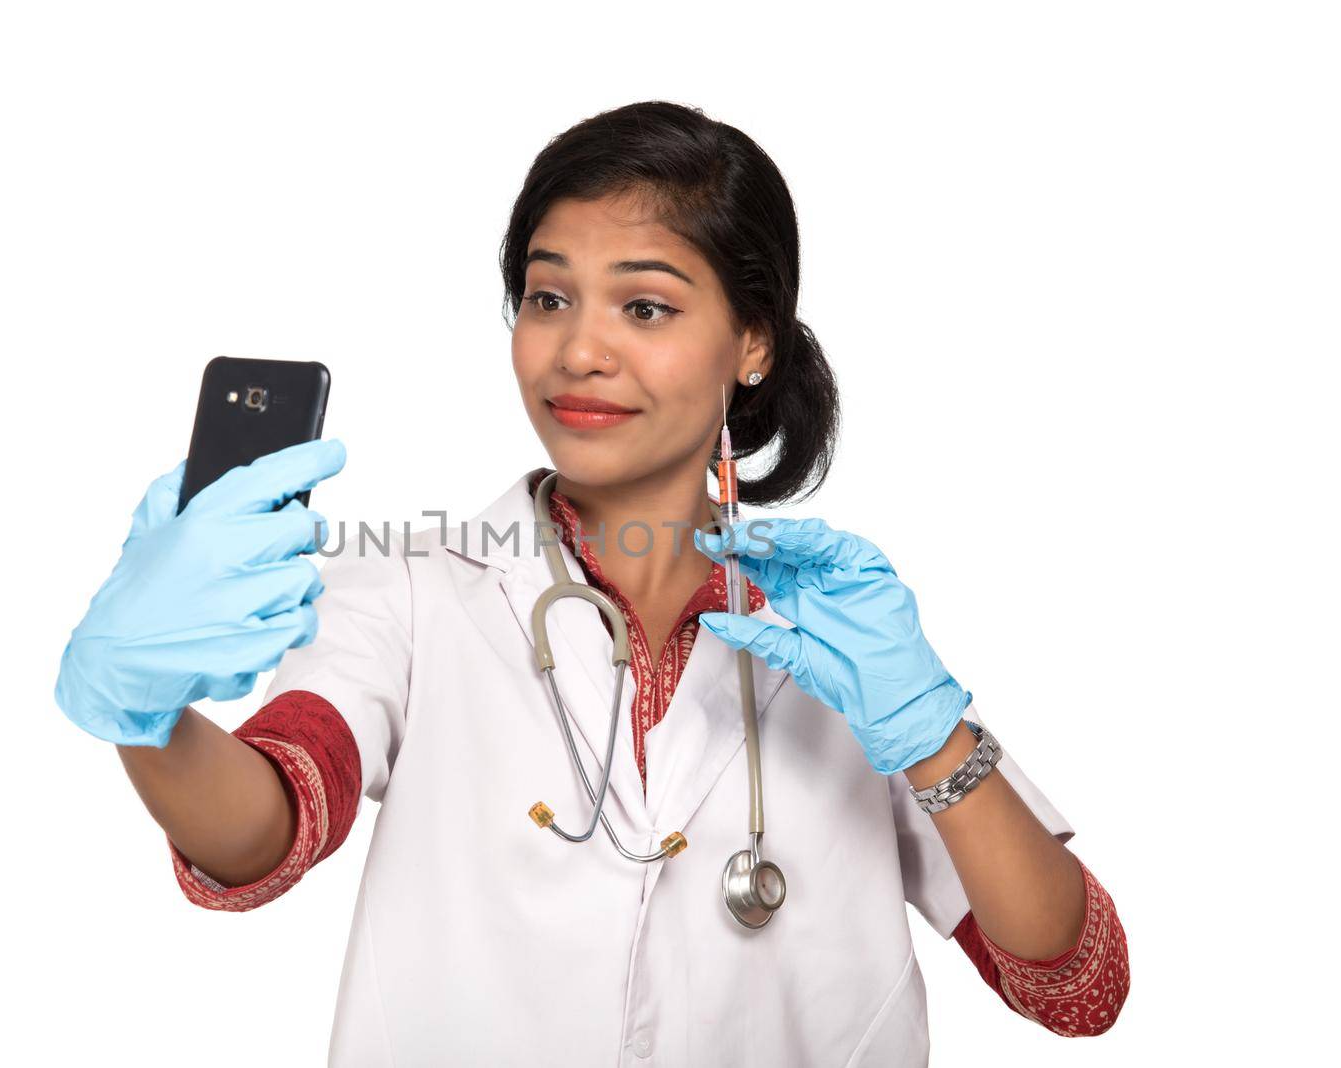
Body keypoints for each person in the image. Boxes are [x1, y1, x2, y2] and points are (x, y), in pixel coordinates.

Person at [55, 101, 1129, 1065]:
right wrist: (146, 716)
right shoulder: (418, 589)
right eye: (547, 297)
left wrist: (931, 735)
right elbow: (267, 823)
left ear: (749, 342)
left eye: (645, 308)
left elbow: (1075, 982)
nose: (577, 351)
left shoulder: (839, 629)